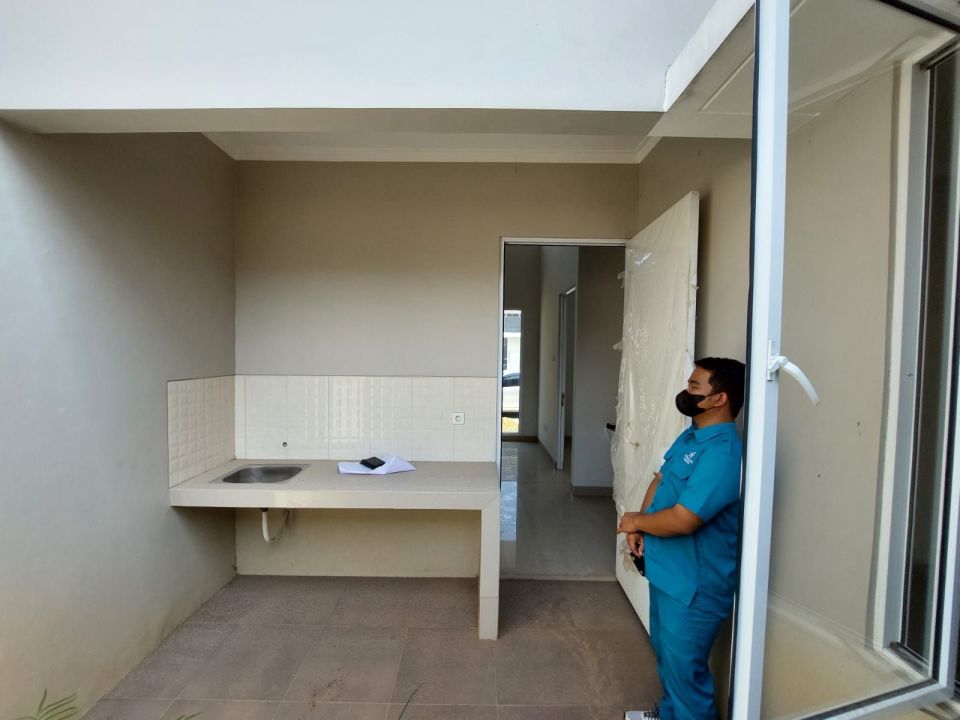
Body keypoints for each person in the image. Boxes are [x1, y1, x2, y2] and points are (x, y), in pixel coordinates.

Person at [617, 357, 746, 720]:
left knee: (687, 676)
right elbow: (661, 479)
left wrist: (635, 520)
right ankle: (668, 714)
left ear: (719, 398)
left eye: (694, 386)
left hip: (694, 589)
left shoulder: (722, 454)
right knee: (669, 664)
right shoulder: (691, 436)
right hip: (668, 574)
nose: (686, 392)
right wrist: (641, 526)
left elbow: (685, 519)